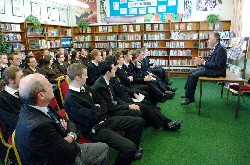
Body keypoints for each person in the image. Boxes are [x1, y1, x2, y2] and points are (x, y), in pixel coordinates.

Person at [15, 73, 109, 165]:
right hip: (60, 160)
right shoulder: (38, 126)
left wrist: (70, 136)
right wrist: (68, 136)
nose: (52, 86)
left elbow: (68, 122)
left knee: (103, 148)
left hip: (64, 149)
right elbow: (66, 153)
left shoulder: (39, 105)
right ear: (41, 96)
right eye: (48, 85)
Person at [64, 63, 145, 165]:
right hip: (95, 129)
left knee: (139, 122)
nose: (87, 77)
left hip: (105, 120)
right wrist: (96, 108)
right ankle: (128, 151)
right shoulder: (70, 99)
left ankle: (127, 150)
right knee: (130, 147)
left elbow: (103, 102)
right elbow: (90, 118)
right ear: (77, 78)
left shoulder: (85, 88)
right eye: (85, 75)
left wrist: (97, 108)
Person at [181, 31, 227, 105]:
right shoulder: (216, 48)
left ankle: (190, 98)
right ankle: (188, 94)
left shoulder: (220, 49)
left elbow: (217, 66)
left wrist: (203, 62)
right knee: (191, 72)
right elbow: (211, 61)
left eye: (210, 38)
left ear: (215, 40)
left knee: (193, 76)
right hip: (212, 69)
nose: (208, 40)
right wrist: (202, 61)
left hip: (217, 71)